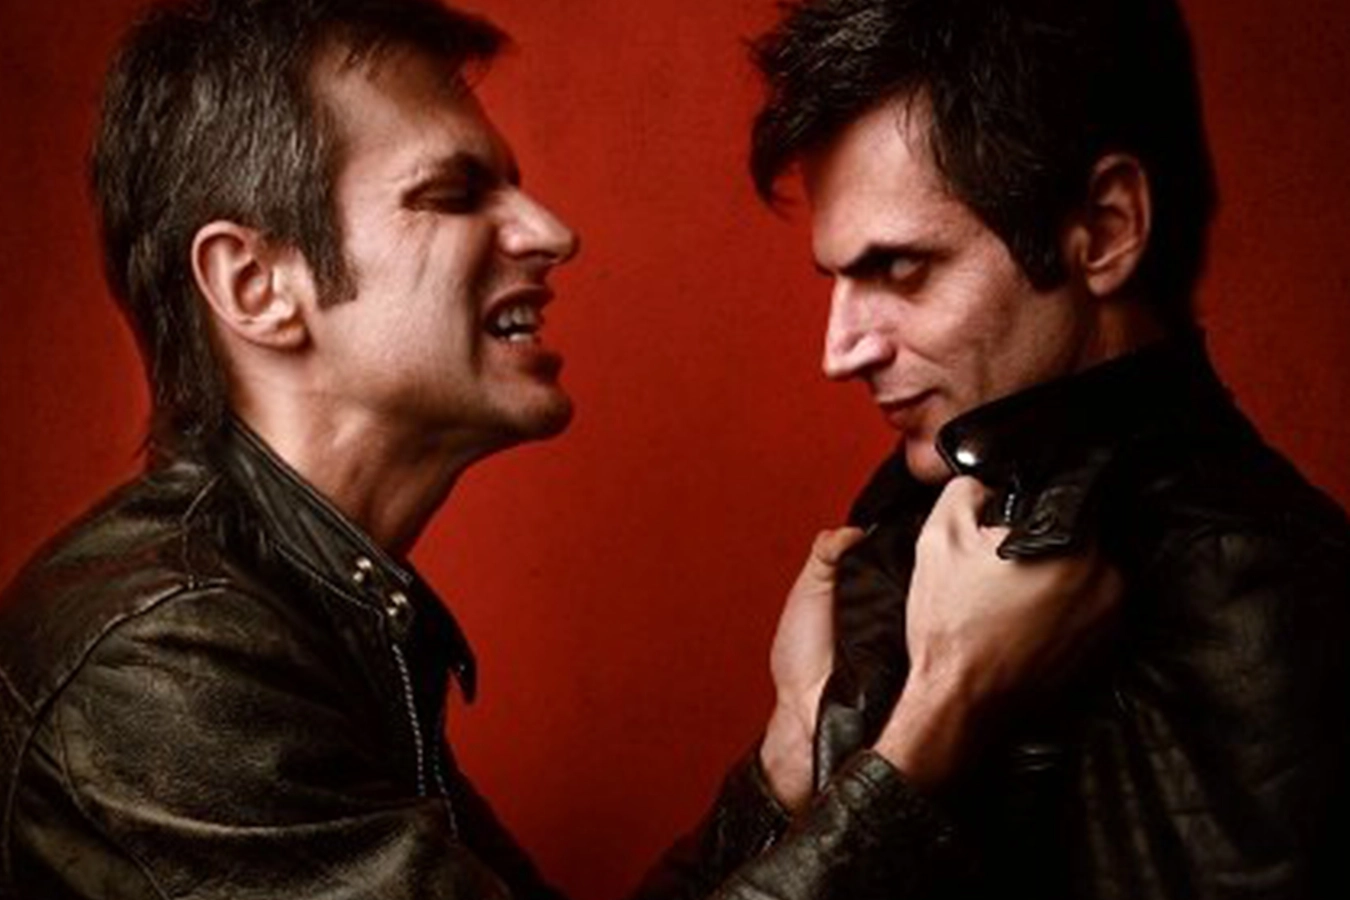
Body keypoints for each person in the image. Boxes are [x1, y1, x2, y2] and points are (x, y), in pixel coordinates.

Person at [0, 1, 1120, 897]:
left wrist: (786, 768)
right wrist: (939, 720)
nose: (551, 232)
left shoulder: (310, 607)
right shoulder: (161, 665)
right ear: (256, 285)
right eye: (454, 194)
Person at [747, 0, 1349, 897]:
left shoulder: (1266, 599)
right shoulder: (912, 528)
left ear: (1105, 228)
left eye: (900, 269)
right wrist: (785, 764)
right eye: (838, 278)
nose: (838, 352)